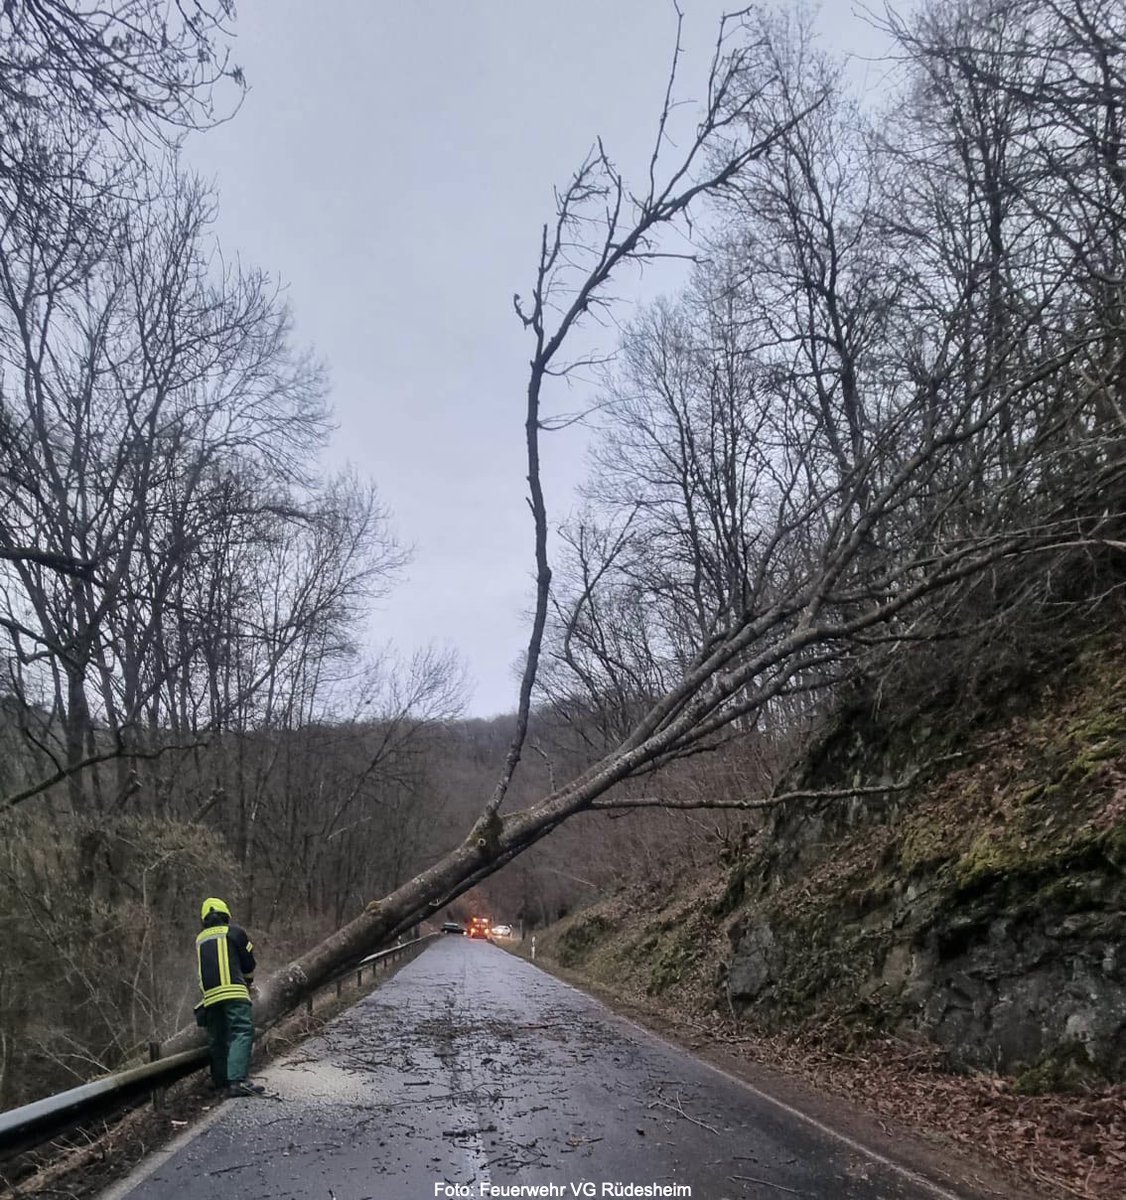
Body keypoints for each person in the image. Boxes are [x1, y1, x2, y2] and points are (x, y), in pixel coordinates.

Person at [194, 897, 266, 1098]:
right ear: (226, 915)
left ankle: (221, 1081)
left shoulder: (200, 939)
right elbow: (248, 964)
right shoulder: (235, 932)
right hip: (234, 992)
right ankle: (237, 1082)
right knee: (242, 1031)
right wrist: (249, 983)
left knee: (217, 1038)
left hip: (210, 997)